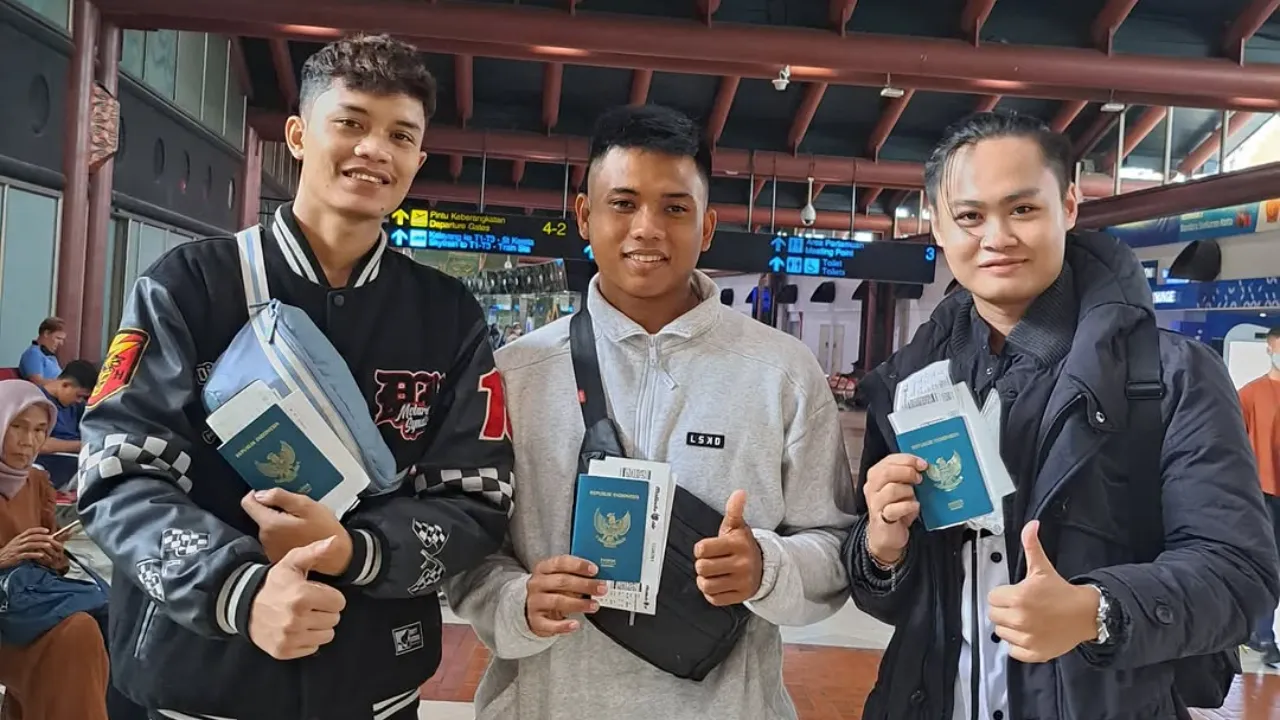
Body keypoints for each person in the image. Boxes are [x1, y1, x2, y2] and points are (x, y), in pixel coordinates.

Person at [77, 34, 514, 720]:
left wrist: (357, 550)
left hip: (373, 686)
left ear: (418, 160)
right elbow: (118, 473)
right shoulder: (190, 285)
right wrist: (236, 589)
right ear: (298, 135)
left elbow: (477, 495)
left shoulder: (446, 315)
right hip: (191, 685)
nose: (375, 149)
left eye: (400, 135)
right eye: (351, 123)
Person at [844, 111, 1280, 719]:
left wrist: (1096, 611)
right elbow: (891, 601)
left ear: (1069, 206)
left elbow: (1239, 575)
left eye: (1023, 209)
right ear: (938, 225)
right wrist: (881, 550)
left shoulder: (1171, 377)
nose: (996, 236)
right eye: (969, 216)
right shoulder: (907, 383)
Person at [444, 104, 856, 719]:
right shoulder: (514, 375)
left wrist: (766, 568)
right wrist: (517, 600)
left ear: (707, 227)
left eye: (675, 208)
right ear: (584, 216)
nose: (647, 228)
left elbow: (835, 544)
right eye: (623, 203)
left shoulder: (782, 373)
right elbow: (468, 545)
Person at [0, 379, 109, 720]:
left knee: (95, 627)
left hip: (26, 607)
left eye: (39, 430)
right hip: (9, 616)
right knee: (76, 636)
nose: (28, 441)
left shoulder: (35, 483)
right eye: (17, 427)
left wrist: (54, 558)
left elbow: (47, 561)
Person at [1238, 325, 1280, 666]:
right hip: (1263, 493)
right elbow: (1232, 445)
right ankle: (1263, 636)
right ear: (1270, 348)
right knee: (1268, 563)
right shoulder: (1250, 395)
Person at [35, 359, 97, 491]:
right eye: (79, 396)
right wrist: (83, 445)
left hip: (73, 456)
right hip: (52, 460)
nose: (80, 401)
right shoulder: (37, 402)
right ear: (65, 384)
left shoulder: (75, 405)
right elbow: (39, 444)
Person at [17, 317, 65, 383]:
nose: (61, 343)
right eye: (58, 338)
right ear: (46, 333)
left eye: (62, 339)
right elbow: (38, 382)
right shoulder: (33, 354)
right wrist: (65, 384)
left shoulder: (50, 356)